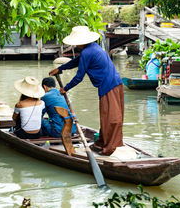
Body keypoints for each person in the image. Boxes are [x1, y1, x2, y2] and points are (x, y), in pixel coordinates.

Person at [49, 26, 124, 155]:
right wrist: (61, 68)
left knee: (111, 118)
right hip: (114, 83)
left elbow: (79, 77)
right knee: (107, 116)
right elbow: (77, 61)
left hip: (109, 85)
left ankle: (108, 148)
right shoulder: (92, 48)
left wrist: (65, 89)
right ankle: (101, 143)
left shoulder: (88, 52)